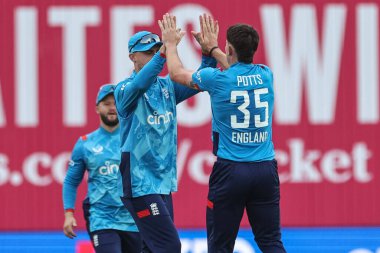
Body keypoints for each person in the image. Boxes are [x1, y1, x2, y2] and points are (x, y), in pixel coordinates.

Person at [159, 13, 287, 253]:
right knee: (271, 241)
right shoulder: (266, 74)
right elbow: (237, 67)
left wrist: (171, 45)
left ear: (229, 48)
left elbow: (176, 74)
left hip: (231, 171)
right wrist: (215, 49)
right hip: (265, 170)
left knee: (220, 246)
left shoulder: (216, 79)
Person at [114, 29, 217, 253]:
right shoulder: (124, 90)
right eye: (147, 52)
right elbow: (140, 84)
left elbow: (201, 79)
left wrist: (208, 52)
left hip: (161, 182)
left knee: (151, 248)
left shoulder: (166, 87)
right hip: (139, 182)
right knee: (169, 246)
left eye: (156, 50)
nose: (154, 55)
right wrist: (163, 53)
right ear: (132, 56)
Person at [62, 84, 142, 253]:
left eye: (115, 103)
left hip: (133, 220)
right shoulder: (85, 143)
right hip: (102, 219)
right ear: (97, 108)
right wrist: (69, 214)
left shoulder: (135, 138)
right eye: (106, 104)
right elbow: (71, 181)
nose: (112, 108)